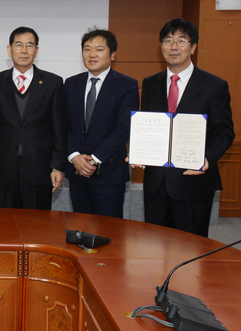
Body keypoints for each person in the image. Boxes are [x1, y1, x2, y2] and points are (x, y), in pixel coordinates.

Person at [133, 18, 234, 237]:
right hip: (156, 182)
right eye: (168, 40)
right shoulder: (150, 83)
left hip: (193, 181)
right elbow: (149, 126)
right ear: (161, 46)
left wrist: (207, 159)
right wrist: (139, 151)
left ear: (193, 47)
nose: (174, 47)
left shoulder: (214, 85)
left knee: (191, 246)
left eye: (181, 40)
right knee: (154, 244)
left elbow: (224, 131)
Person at [0, 26, 66, 210]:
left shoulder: (53, 83)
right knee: (6, 223)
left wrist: (58, 166)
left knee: (38, 223)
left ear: (36, 50)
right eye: (19, 45)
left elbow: (59, 128)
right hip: (5, 168)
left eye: (29, 45)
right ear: (9, 49)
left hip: (40, 168)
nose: (24, 50)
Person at [64, 29, 139, 218]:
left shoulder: (127, 85)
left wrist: (94, 160)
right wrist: (74, 157)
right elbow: (64, 125)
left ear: (112, 55)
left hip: (109, 174)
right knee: (81, 225)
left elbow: (124, 128)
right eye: (87, 49)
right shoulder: (71, 84)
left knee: (108, 229)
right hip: (77, 172)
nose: (92, 54)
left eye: (99, 49)